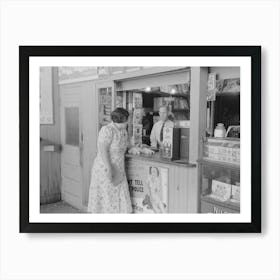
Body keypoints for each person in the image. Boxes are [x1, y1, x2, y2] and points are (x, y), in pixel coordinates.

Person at [87, 108, 133, 213]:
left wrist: (135, 148)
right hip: (105, 168)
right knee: (106, 195)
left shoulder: (124, 131)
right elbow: (102, 150)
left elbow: (126, 146)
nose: (128, 121)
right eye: (127, 119)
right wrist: (109, 168)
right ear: (122, 119)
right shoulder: (107, 130)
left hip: (119, 168)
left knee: (120, 194)